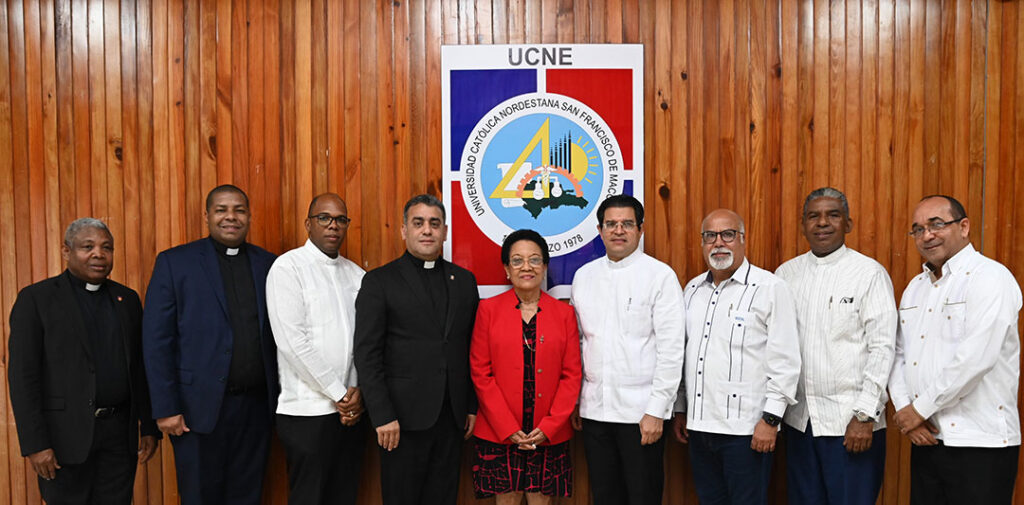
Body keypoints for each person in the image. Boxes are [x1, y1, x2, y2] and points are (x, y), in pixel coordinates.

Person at [142, 184, 279, 505]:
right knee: (200, 497)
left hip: (256, 410)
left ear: (249, 216)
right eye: (221, 210)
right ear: (206, 216)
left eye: (239, 210)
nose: (231, 217)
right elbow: (156, 340)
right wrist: (166, 408)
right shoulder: (175, 263)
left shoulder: (269, 265)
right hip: (194, 412)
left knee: (248, 496)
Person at [8, 218, 160, 504]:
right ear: (67, 251)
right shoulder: (36, 299)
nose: (98, 254)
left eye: (106, 247)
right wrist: (35, 444)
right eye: (87, 247)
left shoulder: (126, 300)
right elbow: (23, 377)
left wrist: (148, 426)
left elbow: (139, 368)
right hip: (63, 440)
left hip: (118, 436)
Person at [889, 195, 1022, 504]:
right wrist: (907, 411)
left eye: (937, 225)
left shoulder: (991, 278)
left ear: (964, 227)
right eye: (918, 229)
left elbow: (975, 359)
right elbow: (899, 354)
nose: (927, 235)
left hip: (981, 443)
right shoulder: (915, 288)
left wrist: (918, 409)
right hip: (928, 440)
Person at [353, 193, 480, 505]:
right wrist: (382, 415)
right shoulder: (379, 281)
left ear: (445, 232)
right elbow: (367, 354)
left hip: (451, 418)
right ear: (403, 230)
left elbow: (470, 347)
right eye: (418, 223)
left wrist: (471, 406)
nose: (427, 230)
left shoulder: (464, 281)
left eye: (434, 224)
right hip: (400, 422)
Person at [775, 187, 896, 505]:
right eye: (813, 216)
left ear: (848, 224)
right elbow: (776, 349)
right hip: (799, 423)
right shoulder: (785, 275)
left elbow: (883, 348)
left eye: (833, 215)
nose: (822, 223)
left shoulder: (869, 274)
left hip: (850, 426)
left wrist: (865, 415)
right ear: (803, 225)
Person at [670, 209, 800, 505]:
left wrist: (771, 420)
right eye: (710, 236)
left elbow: (786, 361)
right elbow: (684, 353)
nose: (719, 243)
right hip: (699, 429)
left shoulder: (769, 288)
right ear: (702, 243)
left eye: (728, 235)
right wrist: (680, 408)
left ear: (742, 239)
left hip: (746, 432)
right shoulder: (692, 289)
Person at [569, 194, 685, 505]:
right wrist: (578, 401)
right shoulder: (584, 276)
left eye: (627, 224)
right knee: (605, 496)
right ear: (600, 229)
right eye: (611, 224)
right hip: (594, 413)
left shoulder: (660, 276)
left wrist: (656, 411)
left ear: (640, 229)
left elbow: (671, 350)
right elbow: (581, 342)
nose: (618, 230)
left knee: (642, 496)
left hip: (641, 415)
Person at [266, 193, 366, 505]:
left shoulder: (357, 275)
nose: (333, 225)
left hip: (349, 412)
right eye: (324, 218)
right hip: (306, 411)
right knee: (309, 497)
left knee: (344, 495)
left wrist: (355, 390)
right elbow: (292, 343)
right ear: (308, 223)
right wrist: (340, 394)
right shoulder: (288, 268)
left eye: (340, 219)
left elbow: (362, 342)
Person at [470, 230, 582, 504]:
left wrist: (551, 426)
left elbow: (572, 375)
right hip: (501, 431)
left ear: (544, 267)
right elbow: (480, 372)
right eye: (517, 261)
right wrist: (507, 427)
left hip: (547, 432)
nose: (527, 267)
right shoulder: (488, 310)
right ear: (506, 269)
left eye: (534, 260)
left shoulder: (564, 313)